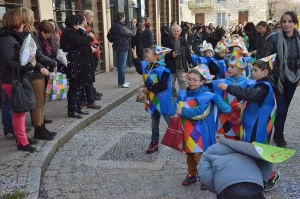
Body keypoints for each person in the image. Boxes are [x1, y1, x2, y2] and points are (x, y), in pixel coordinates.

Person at [218, 56, 282, 191]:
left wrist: (229, 87)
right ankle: (255, 177)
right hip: (253, 125)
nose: (252, 73)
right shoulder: (261, 84)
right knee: (253, 150)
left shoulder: (264, 86)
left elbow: (250, 94)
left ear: (265, 72)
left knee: (256, 151)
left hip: (258, 126)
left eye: (255, 70)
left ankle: (270, 176)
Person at [173, 65, 231, 187]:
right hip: (187, 129)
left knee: (199, 155)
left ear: (202, 81)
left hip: (201, 131)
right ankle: (192, 174)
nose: (191, 82)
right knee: (189, 153)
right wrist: (176, 109)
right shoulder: (183, 93)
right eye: (189, 79)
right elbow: (176, 105)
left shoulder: (206, 95)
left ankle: (207, 177)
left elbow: (200, 112)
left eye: (195, 80)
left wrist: (182, 112)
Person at [0, 10, 38, 152]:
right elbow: (10, 63)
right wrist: (29, 65)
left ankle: (22, 139)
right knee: (19, 111)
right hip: (11, 79)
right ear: (16, 22)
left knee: (19, 110)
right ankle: (21, 141)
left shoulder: (11, 37)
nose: (24, 24)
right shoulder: (7, 39)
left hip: (14, 78)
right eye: (22, 22)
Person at [17, 7, 56, 140]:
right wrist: (51, 63)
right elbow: (36, 54)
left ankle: (41, 126)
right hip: (32, 73)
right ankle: (38, 129)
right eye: (32, 16)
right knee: (38, 102)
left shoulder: (29, 32)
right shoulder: (26, 33)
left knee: (40, 101)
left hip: (35, 70)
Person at [262, 11, 300, 148]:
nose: (287, 24)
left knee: (285, 109)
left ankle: (278, 134)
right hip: (277, 79)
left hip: (293, 79)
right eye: (284, 21)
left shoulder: (299, 38)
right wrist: (268, 77)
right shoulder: (274, 38)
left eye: (290, 21)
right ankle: (279, 137)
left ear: (295, 23)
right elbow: (265, 60)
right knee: (281, 108)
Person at [132, 45, 172, 154]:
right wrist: (135, 57)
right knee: (154, 122)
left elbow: (163, 85)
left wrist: (149, 88)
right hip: (153, 101)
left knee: (169, 120)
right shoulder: (148, 66)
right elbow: (140, 69)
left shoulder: (164, 70)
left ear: (155, 56)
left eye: (148, 53)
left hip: (162, 101)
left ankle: (179, 138)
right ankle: (154, 142)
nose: (146, 54)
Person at [199, 141, 272, 199]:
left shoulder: (212, 150)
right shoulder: (248, 149)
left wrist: (217, 188)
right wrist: (262, 182)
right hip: (255, 187)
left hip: (228, 188)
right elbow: (267, 160)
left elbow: (204, 174)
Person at [212, 47, 252, 140]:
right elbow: (217, 97)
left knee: (241, 139)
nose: (229, 69)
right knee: (228, 139)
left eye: (232, 67)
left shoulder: (247, 83)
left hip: (241, 116)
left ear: (242, 69)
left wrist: (241, 106)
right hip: (226, 116)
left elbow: (249, 98)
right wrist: (227, 109)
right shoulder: (223, 82)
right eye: (228, 66)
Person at [60, 15, 95, 118]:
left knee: (78, 87)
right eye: (78, 23)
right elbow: (80, 41)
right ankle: (72, 110)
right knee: (74, 88)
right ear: (75, 24)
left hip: (79, 64)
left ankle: (78, 108)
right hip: (73, 65)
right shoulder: (69, 33)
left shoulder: (74, 31)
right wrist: (89, 37)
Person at [77, 14, 101, 110]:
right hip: (84, 59)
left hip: (89, 57)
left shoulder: (85, 31)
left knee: (89, 80)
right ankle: (88, 100)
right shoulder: (82, 32)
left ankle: (88, 99)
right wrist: (92, 47)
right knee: (87, 81)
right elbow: (85, 43)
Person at [163, 24, 193, 98]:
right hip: (171, 66)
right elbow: (163, 54)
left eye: (178, 31)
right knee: (170, 84)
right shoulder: (167, 40)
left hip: (181, 66)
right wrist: (171, 55)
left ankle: (183, 97)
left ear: (180, 32)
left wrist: (190, 61)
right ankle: (173, 97)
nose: (176, 33)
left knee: (183, 83)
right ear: (171, 31)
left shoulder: (183, 40)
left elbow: (187, 52)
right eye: (174, 31)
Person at [110, 12, 137, 88]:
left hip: (117, 46)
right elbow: (132, 33)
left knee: (120, 65)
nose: (125, 18)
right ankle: (121, 82)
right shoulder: (121, 27)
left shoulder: (114, 25)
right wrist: (134, 26)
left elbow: (109, 36)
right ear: (121, 17)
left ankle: (122, 81)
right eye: (124, 17)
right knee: (122, 66)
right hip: (122, 47)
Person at [83, 10, 103, 100]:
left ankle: (92, 92)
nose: (93, 19)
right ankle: (90, 95)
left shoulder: (87, 28)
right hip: (92, 55)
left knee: (90, 77)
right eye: (92, 17)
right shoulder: (87, 29)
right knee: (89, 77)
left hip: (93, 54)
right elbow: (92, 42)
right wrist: (97, 45)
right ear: (89, 18)